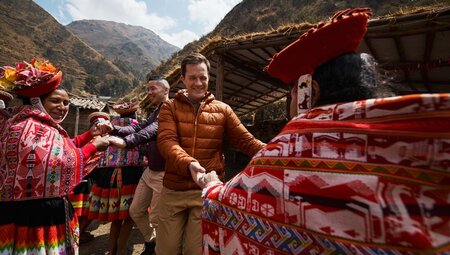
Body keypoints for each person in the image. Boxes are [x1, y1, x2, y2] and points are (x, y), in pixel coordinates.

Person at [200, 8, 450, 255]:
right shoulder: (420, 131)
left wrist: (212, 187)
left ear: (312, 91)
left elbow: (232, 202)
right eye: (194, 78)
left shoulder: (291, 146)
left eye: (293, 92)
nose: (199, 83)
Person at [156, 52, 266, 255]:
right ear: (183, 79)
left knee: (195, 251)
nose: (198, 83)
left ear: (209, 77)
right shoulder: (169, 107)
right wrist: (189, 163)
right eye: (192, 78)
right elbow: (166, 141)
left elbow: (247, 141)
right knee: (166, 250)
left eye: (203, 77)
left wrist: (277, 153)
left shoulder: (223, 110)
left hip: (206, 192)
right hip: (173, 190)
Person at [0, 58, 110, 255]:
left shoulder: (29, 123)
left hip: (29, 211)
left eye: (66, 102)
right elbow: (59, 163)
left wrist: (89, 135)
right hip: (36, 217)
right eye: (55, 101)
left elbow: (61, 149)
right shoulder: (32, 129)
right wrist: (94, 146)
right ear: (36, 101)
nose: (63, 107)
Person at [103, 76, 170, 255]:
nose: (149, 93)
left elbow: (152, 130)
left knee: (156, 218)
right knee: (135, 211)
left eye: (153, 89)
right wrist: (113, 129)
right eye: (147, 89)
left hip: (164, 172)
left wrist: (126, 143)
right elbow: (138, 127)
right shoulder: (155, 111)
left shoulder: (170, 110)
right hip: (150, 171)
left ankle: (157, 248)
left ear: (166, 90)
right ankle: (152, 240)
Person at [87, 101, 144, 255]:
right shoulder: (138, 126)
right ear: (135, 113)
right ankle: (121, 250)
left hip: (108, 175)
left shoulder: (109, 126)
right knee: (129, 217)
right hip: (131, 174)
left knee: (116, 218)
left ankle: (111, 250)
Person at [68, 111, 111, 244]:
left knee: (83, 211)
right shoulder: (97, 141)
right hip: (88, 180)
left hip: (82, 179)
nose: (99, 128)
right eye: (97, 125)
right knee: (87, 211)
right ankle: (78, 234)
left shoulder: (99, 140)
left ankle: (77, 232)